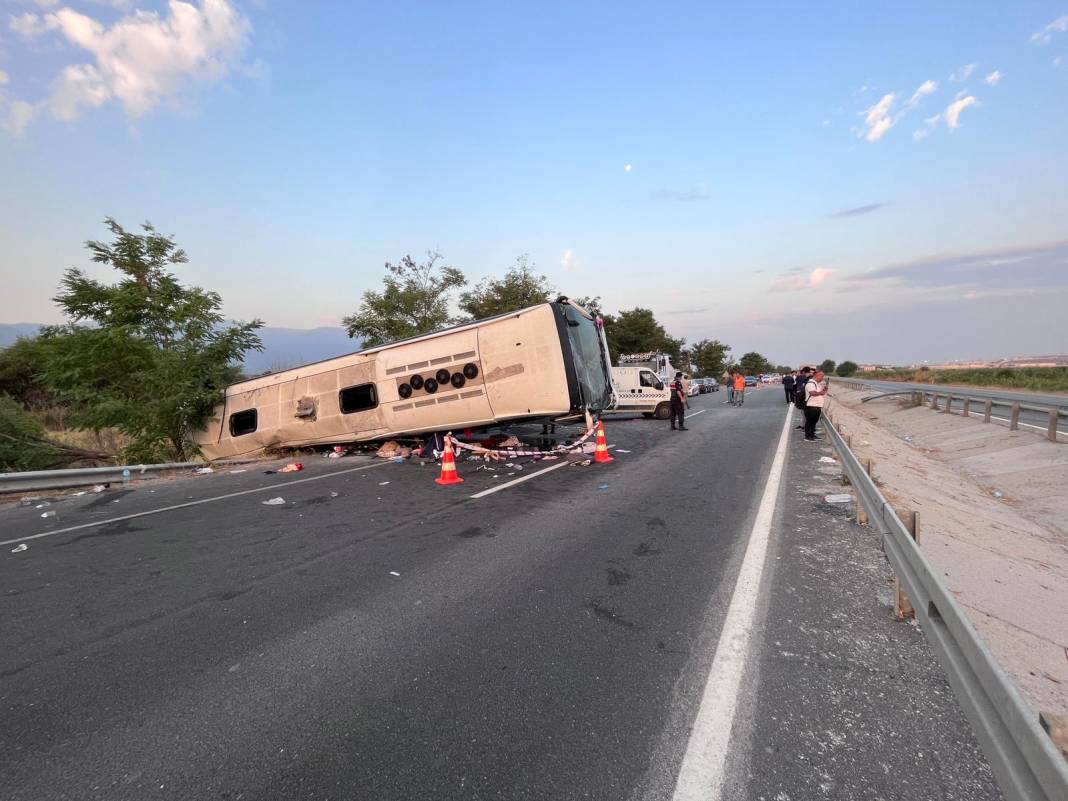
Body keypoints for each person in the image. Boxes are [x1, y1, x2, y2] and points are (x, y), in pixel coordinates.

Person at [803, 370, 829, 441]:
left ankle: (812, 435)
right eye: (822, 376)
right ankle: (808, 436)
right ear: (817, 375)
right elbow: (812, 393)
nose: (822, 378)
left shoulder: (816, 383)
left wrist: (823, 390)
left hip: (816, 406)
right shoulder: (811, 383)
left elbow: (818, 392)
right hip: (811, 406)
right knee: (810, 422)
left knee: (813, 422)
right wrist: (821, 393)